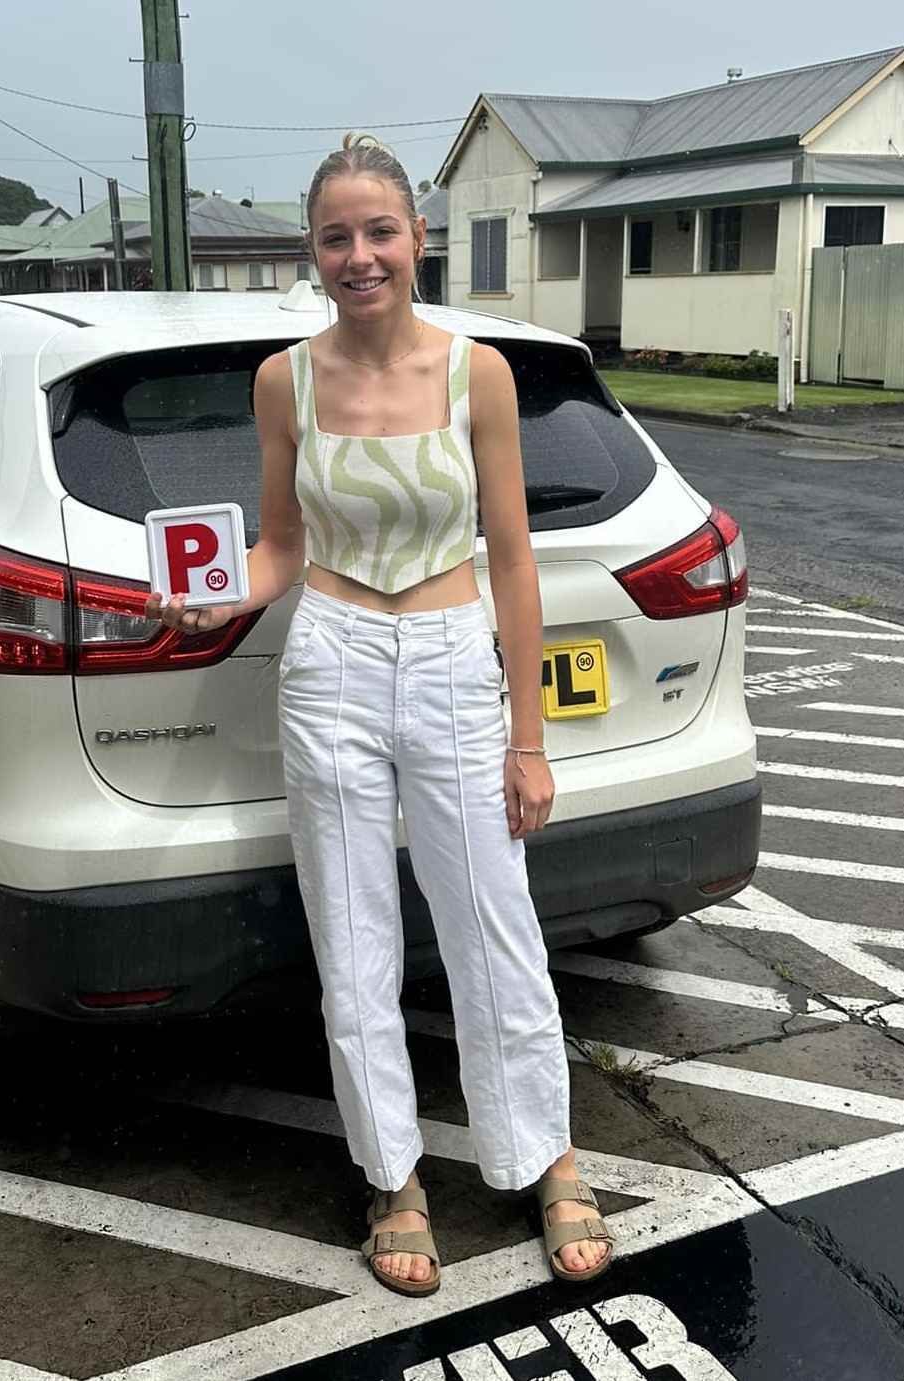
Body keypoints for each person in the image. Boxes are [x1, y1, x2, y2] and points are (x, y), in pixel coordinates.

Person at [157, 132, 613, 1297]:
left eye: (378, 231)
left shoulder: (478, 374)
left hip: (457, 657)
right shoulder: (285, 380)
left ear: (417, 239)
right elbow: (279, 549)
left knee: (493, 925)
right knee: (352, 940)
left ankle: (540, 1153)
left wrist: (528, 738)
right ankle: (392, 1175)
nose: (358, 256)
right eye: (334, 237)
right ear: (310, 252)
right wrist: (197, 590)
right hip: (333, 662)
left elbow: (513, 560)